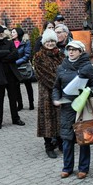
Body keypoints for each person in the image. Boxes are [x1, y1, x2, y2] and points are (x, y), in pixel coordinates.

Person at [52, 40, 93, 178]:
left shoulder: (87, 67)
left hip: (83, 107)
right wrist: (56, 99)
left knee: (84, 138)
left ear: (80, 51)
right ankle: (67, 167)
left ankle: (83, 168)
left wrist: (87, 92)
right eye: (69, 49)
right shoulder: (62, 67)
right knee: (67, 139)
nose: (71, 52)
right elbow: (56, 87)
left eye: (74, 49)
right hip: (67, 107)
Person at [0, 24, 25, 130]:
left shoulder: (9, 42)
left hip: (11, 75)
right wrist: (7, 53)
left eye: (1, 32)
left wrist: (1, 57)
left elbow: (15, 55)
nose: (0, 34)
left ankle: (16, 118)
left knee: (13, 99)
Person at [34, 29, 64, 158]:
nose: (50, 43)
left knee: (60, 117)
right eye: (48, 41)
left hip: (62, 91)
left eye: (53, 41)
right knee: (47, 119)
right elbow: (45, 76)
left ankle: (60, 141)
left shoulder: (60, 55)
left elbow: (67, 70)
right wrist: (62, 85)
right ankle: (49, 146)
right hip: (47, 93)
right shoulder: (39, 57)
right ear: (43, 42)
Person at [13, 28, 35, 111]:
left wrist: (16, 62)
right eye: (11, 32)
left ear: (18, 33)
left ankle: (31, 103)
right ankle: (20, 104)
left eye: (14, 32)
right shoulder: (11, 43)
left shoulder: (26, 42)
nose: (12, 33)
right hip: (15, 68)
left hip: (24, 67)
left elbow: (27, 55)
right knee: (16, 87)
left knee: (28, 85)